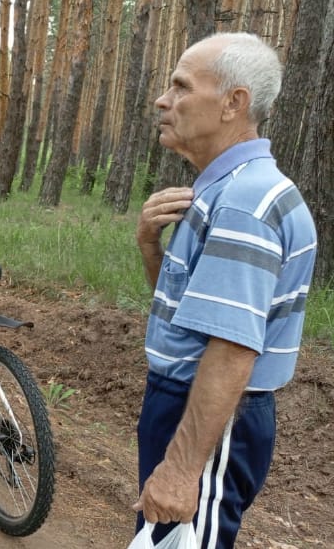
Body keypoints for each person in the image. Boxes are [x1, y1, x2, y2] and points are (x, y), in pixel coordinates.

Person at [133, 32, 317, 548]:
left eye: (182, 86)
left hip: (215, 414)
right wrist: (151, 247)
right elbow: (198, 319)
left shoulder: (243, 201)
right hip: (194, 404)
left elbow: (234, 348)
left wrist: (182, 468)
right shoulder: (224, 188)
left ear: (234, 103)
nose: (163, 100)